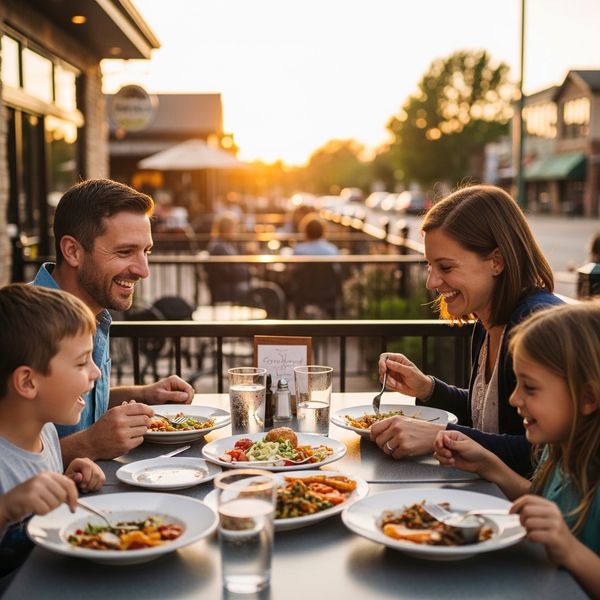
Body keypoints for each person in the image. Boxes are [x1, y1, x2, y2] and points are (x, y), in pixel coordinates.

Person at [372, 185, 563, 475]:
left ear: (496, 261)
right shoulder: (488, 321)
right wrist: (428, 389)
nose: (431, 282)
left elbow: (542, 454)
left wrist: (439, 436)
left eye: (446, 268)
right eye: (429, 266)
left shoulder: (537, 326)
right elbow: (487, 417)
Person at [433, 302, 600, 597]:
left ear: (587, 397)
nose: (513, 398)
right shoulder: (557, 451)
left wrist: (570, 550)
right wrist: (487, 464)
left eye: (530, 388)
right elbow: (539, 504)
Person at [32, 179, 194, 463]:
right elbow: (7, 458)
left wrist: (144, 394)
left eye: (146, 251)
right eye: (124, 252)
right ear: (72, 251)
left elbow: (76, 400)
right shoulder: (19, 326)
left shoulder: (91, 309)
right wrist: (87, 446)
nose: (143, 270)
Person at [0, 284, 105, 585]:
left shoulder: (45, 432)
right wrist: (6, 509)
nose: (96, 372)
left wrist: (65, 481)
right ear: (28, 382)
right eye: (82, 362)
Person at [206, 211, 252, 304]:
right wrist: (249, 271)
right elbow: (231, 271)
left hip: (231, 286)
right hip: (227, 289)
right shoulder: (219, 247)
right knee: (263, 291)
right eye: (235, 228)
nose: (237, 231)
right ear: (228, 229)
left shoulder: (225, 244)